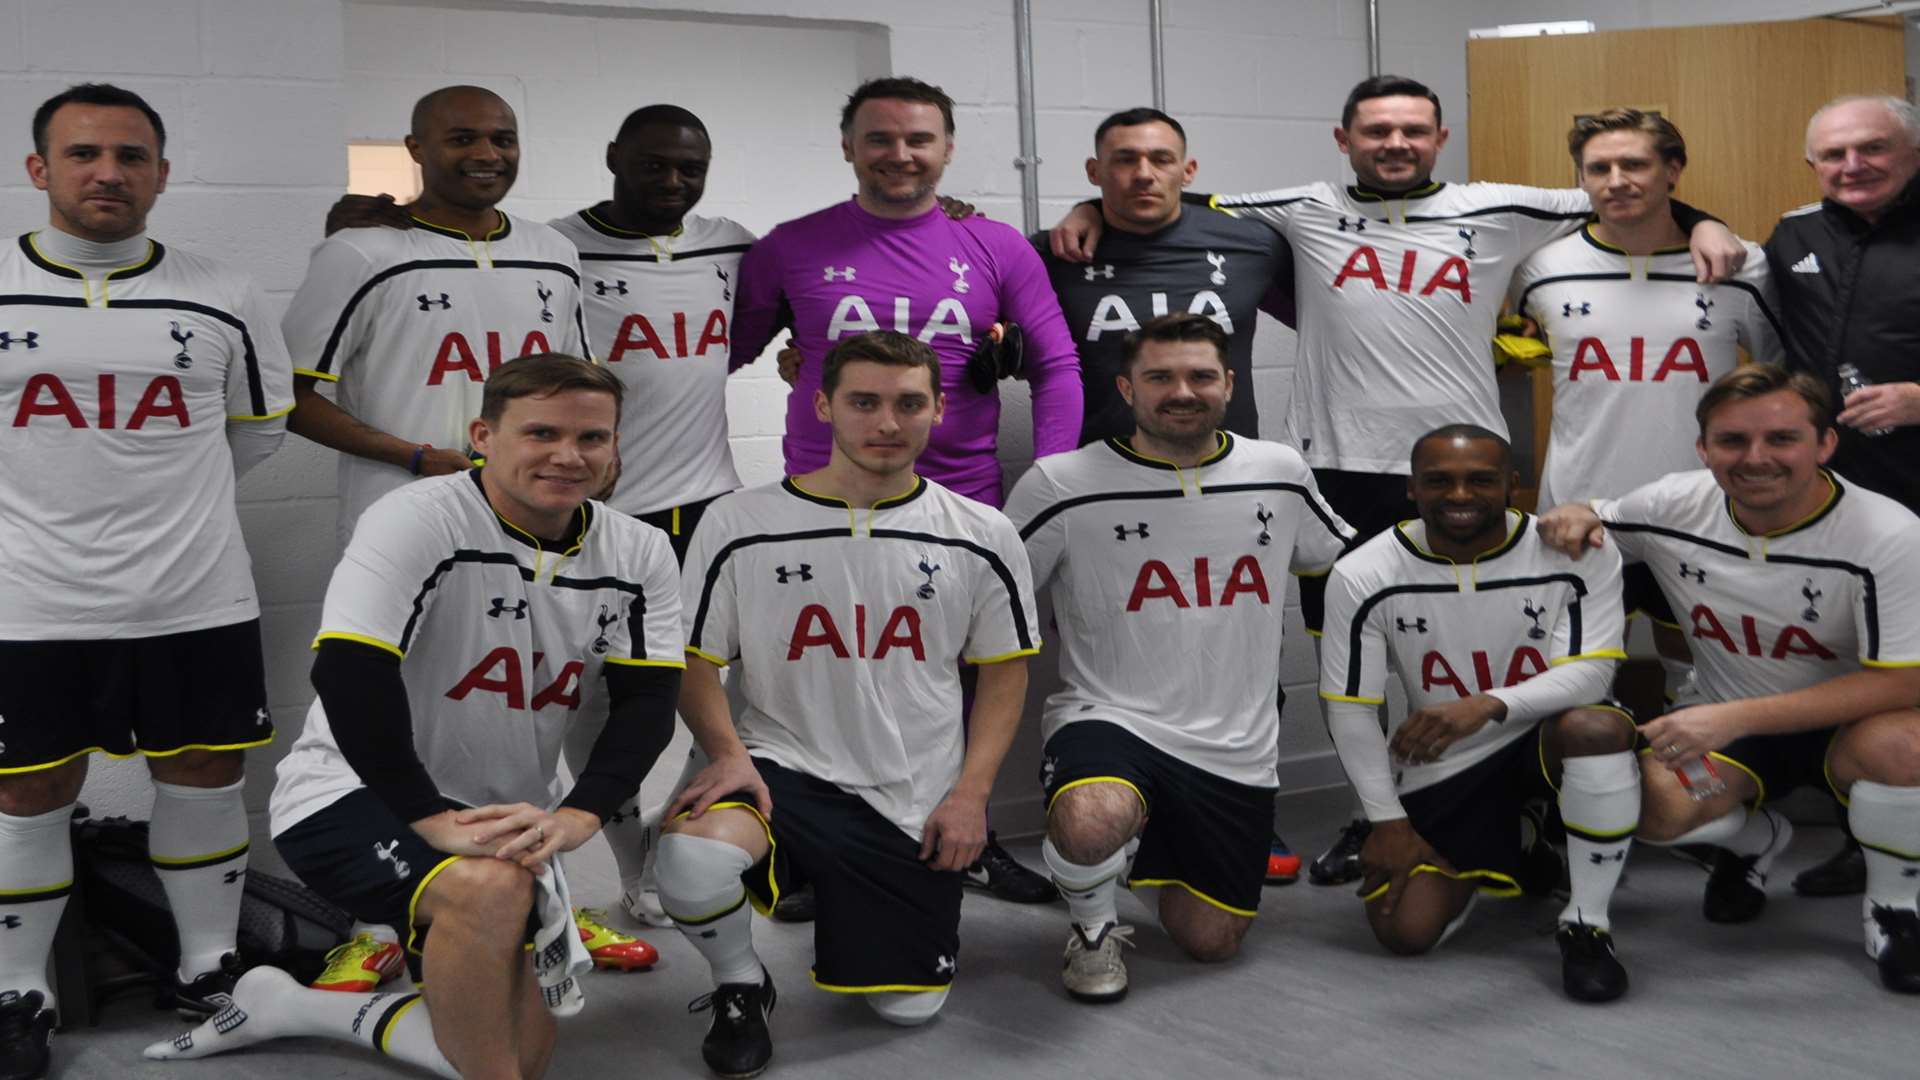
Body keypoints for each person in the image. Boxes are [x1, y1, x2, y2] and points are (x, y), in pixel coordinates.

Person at [1052, 74, 1744, 887]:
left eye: (1413, 130)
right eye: (1377, 131)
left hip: (1462, 474)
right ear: (1344, 140)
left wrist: (1710, 222)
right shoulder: (1299, 206)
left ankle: (1528, 799)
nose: (1396, 144)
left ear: (1439, 138)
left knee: (1489, 652)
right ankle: (1376, 812)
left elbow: (1626, 193)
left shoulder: (1501, 205)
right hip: (1337, 471)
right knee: (1355, 664)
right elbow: (1164, 192)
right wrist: (1084, 210)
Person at [148, 355, 688, 1077]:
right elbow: (348, 671)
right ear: (484, 435)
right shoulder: (417, 516)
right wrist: (426, 816)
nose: (569, 455)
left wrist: (581, 815)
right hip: (350, 795)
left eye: (593, 438)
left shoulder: (640, 548)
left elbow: (648, 700)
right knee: (489, 903)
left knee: (523, 1053)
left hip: (498, 820)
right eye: (541, 433)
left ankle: (296, 1007)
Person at [0, 83, 295, 1077]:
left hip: (194, 596)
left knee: (207, 774)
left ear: (162, 175)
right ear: (40, 170)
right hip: (29, 600)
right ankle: (20, 986)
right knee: (29, 787)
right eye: (83, 154)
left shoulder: (225, 293)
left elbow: (253, 437)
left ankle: (208, 966)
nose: (108, 173)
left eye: (131, 156)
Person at [656, 330, 1039, 1077]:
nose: (886, 423)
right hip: (782, 770)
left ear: (938, 411)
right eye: (864, 402)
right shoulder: (740, 522)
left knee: (908, 1007)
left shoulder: (982, 533)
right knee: (690, 860)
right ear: (824, 405)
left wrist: (971, 798)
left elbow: (1004, 674)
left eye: (908, 404)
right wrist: (730, 754)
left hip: (912, 799)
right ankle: (740, 984)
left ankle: (845, 900)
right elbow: (694, 661)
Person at [729, 75, 1074, 901]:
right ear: (847, 147)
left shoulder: (994, 245)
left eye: (919, 139)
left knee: (957, 676)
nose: (900, 154)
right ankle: (807, 848)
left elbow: (1057, 365)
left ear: (948, 150)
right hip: (822, 503)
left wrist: (1053, 482)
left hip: (960, 499)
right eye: (879, 138)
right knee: (816, 673)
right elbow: (716, 352)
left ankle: (969, 832)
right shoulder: (788, 246)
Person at [1538, 365, 1920, 994]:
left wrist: (1734, 717)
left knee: (1904, 746)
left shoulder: (1887, 533)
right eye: (1733, 441)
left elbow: (1902, 686)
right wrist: (1575, 514)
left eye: (1782, 439)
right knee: (1653, 811)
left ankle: (1895, 910)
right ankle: (1757, 840)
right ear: (1704, 448)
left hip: (1856, 723)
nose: (1756, 458)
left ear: (1825, 445)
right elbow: (1594, 514)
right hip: (1731, 724)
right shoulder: (1672, 503)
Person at [1003, 314, 1351, 1002]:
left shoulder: (1278, 472)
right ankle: (1094, 928)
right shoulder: (1061, 482)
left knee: (1210, 943)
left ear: (1228, 383)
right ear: (1127, 389)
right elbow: (990, 590)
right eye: (1160, 377)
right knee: (1090, 819)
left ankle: (1135, 845)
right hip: (1110, 719)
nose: (1181, 391)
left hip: (1235, 747)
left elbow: (1341, 561)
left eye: (1199, 376)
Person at [1036, 112, 1307, 883]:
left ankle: (1252, 809)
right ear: (1095, 174)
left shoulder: (1253, 241)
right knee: (1107, 660)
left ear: (1191, 172)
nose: (1142, 174)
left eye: (1161, 160)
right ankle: (1120, 809)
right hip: (1104, 495)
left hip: (1227, 483)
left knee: (1244, 653)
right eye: (1123, 162)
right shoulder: (1055, 252)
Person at [1319, 424, 1633, 1002]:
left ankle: (1587, 924)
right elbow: (1351, 708)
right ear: (1412, 488)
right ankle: (1525, 835)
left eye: (1481, 480)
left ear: (1513, 484)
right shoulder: (1363, 572)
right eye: (1439, 481)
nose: (1460, 495)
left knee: (1598, 725)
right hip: (1447, 762)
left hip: (1544, 735)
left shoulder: (1571, 551)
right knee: (1404, 930)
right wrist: (1386, 821)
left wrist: (1487, 705)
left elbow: (1593, 675)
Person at [1509, 108, 1784, 705]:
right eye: (1599, 167)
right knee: (1576, 682)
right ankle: (1578, 796)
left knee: (1704, 677)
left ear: (1672, 172)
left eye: (1634, 163)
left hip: (1704, 512)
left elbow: (1780, 387)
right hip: (1577, 511)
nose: (1616, 180)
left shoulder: (1739, 265)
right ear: (1581, 179)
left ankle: (1709, 793)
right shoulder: (1538, 271)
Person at [281, 85, 588, 547]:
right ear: (416, 148)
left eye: (503, 140)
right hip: (404, 521)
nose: (487, 154)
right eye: (462, 139)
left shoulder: (554, 252)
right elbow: (284, 394)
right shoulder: (361, 251)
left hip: (533, 517)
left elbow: (577, 385)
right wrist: (415, 457)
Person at [1766, 95, 1920, 898]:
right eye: (1833, 154)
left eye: (1872, 148)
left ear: (1912, 148)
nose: (1852, 166)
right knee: (1855, 667)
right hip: (1831, 504)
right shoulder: (1794, 235)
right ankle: (1874, 841)